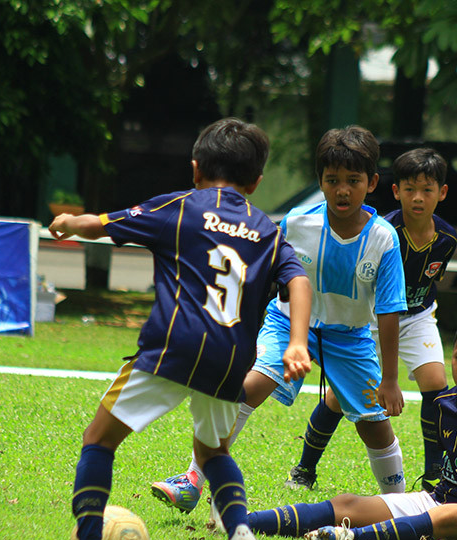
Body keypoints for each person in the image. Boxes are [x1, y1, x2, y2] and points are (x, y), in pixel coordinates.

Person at [49, 118, 312, 540]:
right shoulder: (268, 231)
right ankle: (240, 534)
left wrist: (68, 224)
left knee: (98, 440)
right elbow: (298, 280)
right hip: (232, 360)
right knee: (214, 453)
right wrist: (297, 342)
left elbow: (100, 224)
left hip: (174, 348)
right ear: (255, 183)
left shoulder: (179, 206)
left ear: (196, 170)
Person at [150, 124, 409, 513]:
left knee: (373, 425)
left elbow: (389, 313)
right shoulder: (296, 224)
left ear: (371, 183)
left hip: (350, 338)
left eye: (353, 181)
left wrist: (390, 380)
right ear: (319, 181)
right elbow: (263, 280)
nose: (342, 190)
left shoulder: (384, 239)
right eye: (332, 179)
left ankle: (403, 507)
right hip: (288, 323)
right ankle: (191, 480)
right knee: (246, 387)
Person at [240, 316, 457, 540]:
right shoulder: (443, 404)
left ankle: (350, 538)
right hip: (439, 501)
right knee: (347, 502)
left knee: (450, 516)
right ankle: (243, 521)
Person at [286, 147, 457, 493]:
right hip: (370, 320)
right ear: (395, 192)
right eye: (409, 189)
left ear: (442, 193)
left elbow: (429, 283)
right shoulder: (385, 230)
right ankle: (304, 468)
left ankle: (434, 477)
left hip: (418, 316)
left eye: (427, 190)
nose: (418, 198)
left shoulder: (447, 239)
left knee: (436, 385)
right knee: (339, 397)